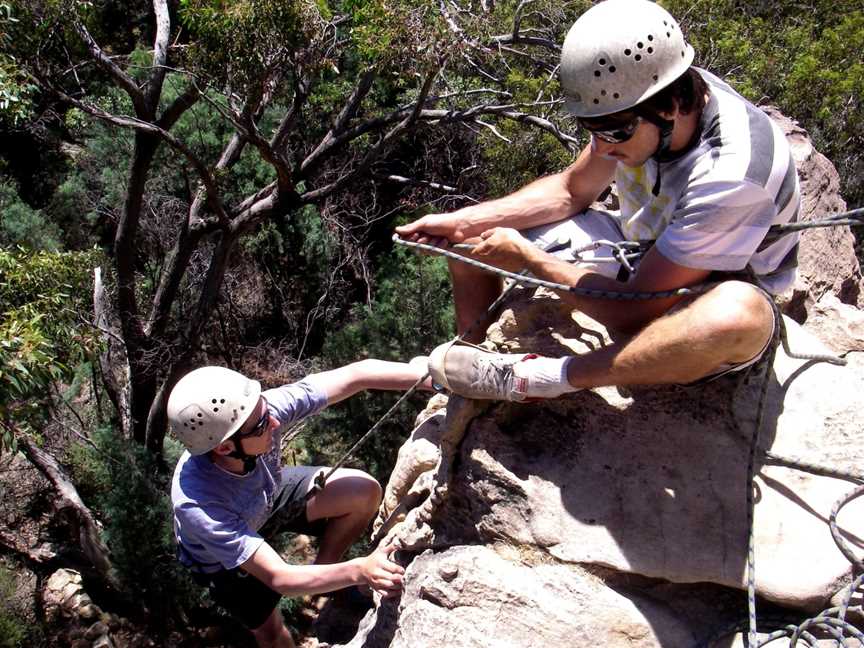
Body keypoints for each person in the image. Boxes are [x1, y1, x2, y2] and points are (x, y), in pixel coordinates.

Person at [396, 0, 800, 401]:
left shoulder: (732, 174)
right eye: (595, 131)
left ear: (671, 105)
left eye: (615, 133)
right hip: (646, 251)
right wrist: (465, 222)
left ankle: (539, 378)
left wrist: (529, 258)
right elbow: (572, 190)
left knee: (736, 315)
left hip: (714, 286)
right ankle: (468, 370)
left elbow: (637, 309)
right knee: (473, 246)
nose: (604, 149)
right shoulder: (637, 102)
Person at [168, 359, 430, 648]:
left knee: (362, 491)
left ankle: (326, 578)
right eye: (262, 425)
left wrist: (431, 375)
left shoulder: (255, 415)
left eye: (266, 412)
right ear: (225, 447)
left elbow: (355, 375)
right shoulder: (199, 504)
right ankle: (329, 584)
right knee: (271, 633)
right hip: (222, 563)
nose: (275, 423)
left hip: (267, 497)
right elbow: (281, 578)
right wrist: (359, 570)